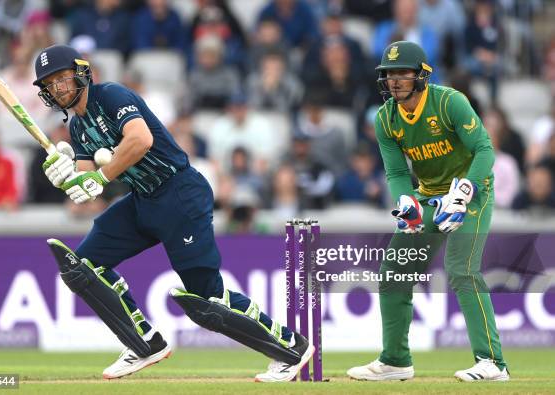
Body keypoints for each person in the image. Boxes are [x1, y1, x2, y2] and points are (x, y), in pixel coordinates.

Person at [32, 44, 312, 382]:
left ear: (80, 73)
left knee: (205, 299)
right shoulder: (77, 128)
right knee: (81, 268)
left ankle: (290, 348)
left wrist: (99, 177)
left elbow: (140, 140)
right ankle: (144, 343)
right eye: (50, 84)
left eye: (62, 78)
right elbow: (86, 188)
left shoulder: (111, 96)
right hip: (142, 200)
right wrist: (65, 176)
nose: (59, 88)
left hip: (180, 193)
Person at [347, 41, 509, 382]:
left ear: (422, 75)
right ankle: (395, 361)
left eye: (402, 73)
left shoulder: (450, 102)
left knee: (461, 269)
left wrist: (465, 190)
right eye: (389, 74)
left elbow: (484, 149)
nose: (394, 81)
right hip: (429, 195)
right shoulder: (385, 118)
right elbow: (395, 173)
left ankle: (492, 362)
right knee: (394, 272)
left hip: (472, 193)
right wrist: (406, 204)